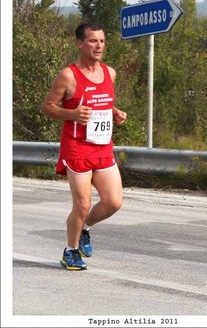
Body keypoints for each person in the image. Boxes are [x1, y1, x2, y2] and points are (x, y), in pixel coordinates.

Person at [41, 22, 127, 270]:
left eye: (101, 41)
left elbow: (101, 103)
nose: (98, 45)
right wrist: (73, 114)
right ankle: (70, 250)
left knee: (113, 202)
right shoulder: (68, 75)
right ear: (80, 44)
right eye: (92, 41)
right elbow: (47, 107)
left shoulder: (109, 73)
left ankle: (85, 228)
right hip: (77, 147)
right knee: (82, 204)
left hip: (102, 147)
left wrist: (115, 112)